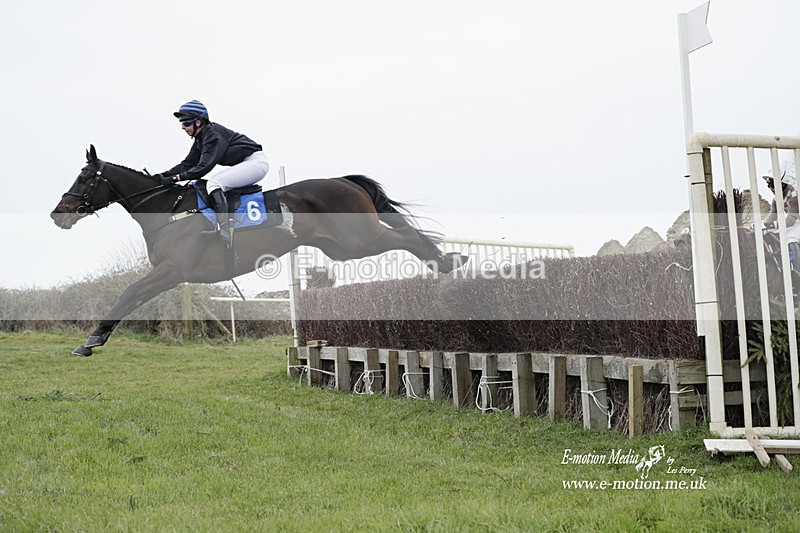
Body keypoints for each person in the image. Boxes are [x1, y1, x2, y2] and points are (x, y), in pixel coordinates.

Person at [155, 100, 269, 244]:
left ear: (198, 122)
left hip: (255, 163)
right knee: (215, 183)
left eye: (186, 123)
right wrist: (164, 175)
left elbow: (204, 167)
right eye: (182, 124)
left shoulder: (213, 135)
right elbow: (187, 164)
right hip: (248, 163)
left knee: (214, 183)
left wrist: (176, 178)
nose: (183, 127)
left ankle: (225, 229)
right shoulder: (201, 138)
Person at [761, 169, 800, 272]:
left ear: (782, 183)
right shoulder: (776, 199)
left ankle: (797, 271)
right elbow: (773, 216)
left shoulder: (794, 193)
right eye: (769, 185)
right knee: (774, 234)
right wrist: (761, 224)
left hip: (796, 221)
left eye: (772, 184)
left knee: (791, 237)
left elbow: (791, 219)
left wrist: (771, 225)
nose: (771, 188)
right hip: (796, 222)